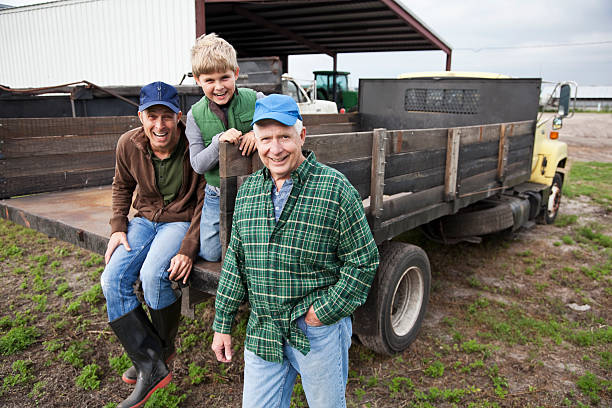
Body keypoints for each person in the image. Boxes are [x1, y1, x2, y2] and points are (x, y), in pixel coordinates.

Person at [211, 94, 380, 408]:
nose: (275, 149)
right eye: (266, 139)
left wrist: (322, 313)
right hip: (263, 329)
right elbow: (236, 259)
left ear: (301, 136)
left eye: (284, 137)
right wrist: (223, 323)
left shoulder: (335, 189)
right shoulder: (248, 190)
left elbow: (363, 261)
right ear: (255, 141)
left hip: (317, 332)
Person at [101, 81, 205, 408]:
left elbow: (205, 201)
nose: (159, 125)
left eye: (166, 116)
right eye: (151, 116)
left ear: (178, 116)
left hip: (179, 220)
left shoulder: (194, 144)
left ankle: (158, 353)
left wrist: (188, 247)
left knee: (153, 276)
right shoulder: (128, 144)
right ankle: (152, 361)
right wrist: (119, 226)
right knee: (111, 279)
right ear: (140, 116)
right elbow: (121, 186)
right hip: (144, 219)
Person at [186, 32, 264, 262]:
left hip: (255, 189)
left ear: (236, 73)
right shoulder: (194, 116)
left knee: (256, 244)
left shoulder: (256, 99)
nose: (218, 87)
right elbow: (198, 164)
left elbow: (287, 119)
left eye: (224, 78)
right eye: (209, 80)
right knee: (211, 253)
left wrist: (257, 133)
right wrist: (218, 141)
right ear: (197, 79)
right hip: (215, 192)